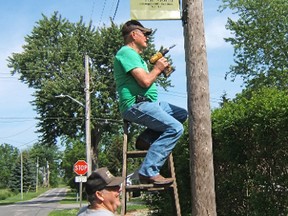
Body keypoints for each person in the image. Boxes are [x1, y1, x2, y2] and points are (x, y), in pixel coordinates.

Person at [113, 20, 187, 186]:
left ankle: (147, 138)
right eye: (144, 33)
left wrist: (158, 71)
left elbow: (147, 79)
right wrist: (157, 68)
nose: (147, 37)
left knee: (181, 114)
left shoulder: (137, 58)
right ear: (134, 34)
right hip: (136, 105)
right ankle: (148, 171)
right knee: (175, 128)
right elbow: (145, 82)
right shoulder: (126, 52)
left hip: (149, 104)